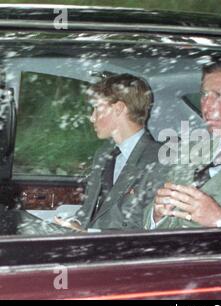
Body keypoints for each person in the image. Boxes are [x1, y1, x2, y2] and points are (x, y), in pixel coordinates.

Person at [11, 73, 168, 234]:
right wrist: (73, 223)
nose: (92, 118)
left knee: (15, 223)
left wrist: (88, 233)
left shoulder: (158, 159)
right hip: (86, 242)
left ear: (118, 109)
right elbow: (88, 211)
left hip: (117, 250)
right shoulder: (104, 154)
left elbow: (147, 227)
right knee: (15, 219)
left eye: (97, 109)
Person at [144, 57, 221, 230]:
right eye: (204, 95)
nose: (206, 106)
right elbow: (152, 222)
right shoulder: (190, 151)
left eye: (218, 95)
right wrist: (156, 215)